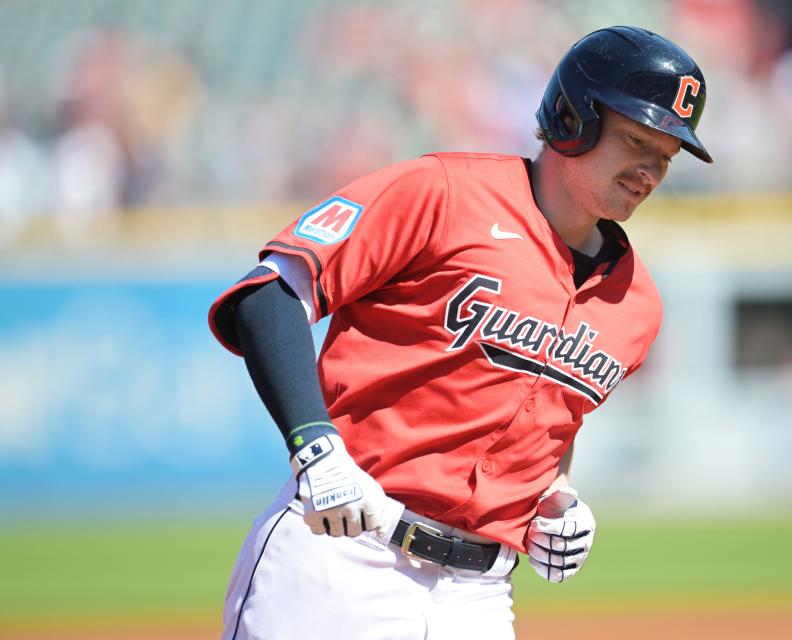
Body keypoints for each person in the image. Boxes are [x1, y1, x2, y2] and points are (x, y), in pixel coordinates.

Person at [208, 25, 712, 640]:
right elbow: (269, 293)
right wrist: (316, 446)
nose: (650, 169)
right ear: (573, 116)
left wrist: (554, 500)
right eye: (637, 139)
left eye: (665, 154)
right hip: (345, 556)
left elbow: (548, 415)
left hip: (478, 595)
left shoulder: (635, 302)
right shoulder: (443, 192)